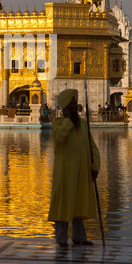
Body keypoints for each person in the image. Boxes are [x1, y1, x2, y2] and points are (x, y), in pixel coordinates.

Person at [48, 89, 100, 248]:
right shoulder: (57, 124)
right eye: (70, 105)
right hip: (65, 173)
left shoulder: (83, 125)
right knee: (62, 206)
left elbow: (92, 148)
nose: (73, 107)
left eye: (74, 104)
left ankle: (79, 238)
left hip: (82, 172)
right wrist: (68, 121)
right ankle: (61, 239)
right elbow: (59, 137)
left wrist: (95, 166)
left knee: (79, 205)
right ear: (64, 108)